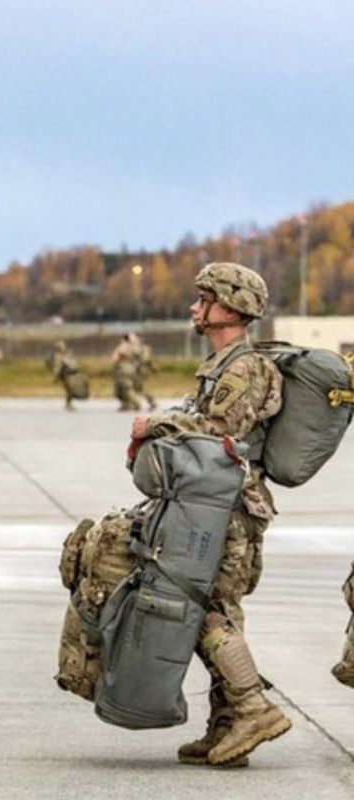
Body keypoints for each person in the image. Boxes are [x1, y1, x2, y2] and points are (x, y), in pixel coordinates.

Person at [130, 262, 289, 768]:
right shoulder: (222, 365)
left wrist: (155, 423)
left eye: (204, 299)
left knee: (200, 606)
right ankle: (227, 724)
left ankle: (252, 709)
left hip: (229, 509)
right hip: (208, 506)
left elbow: (220, 434)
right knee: (213, 606)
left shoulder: (245, 368)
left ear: (230, 307)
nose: (194, 307)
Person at [47, 340, 81, 411]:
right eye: (62, 346)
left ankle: (68, 404)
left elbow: (72, 362)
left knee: (71, 390)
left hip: (70, 374)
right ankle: (68, 405)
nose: (64, 347)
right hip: (65, 376)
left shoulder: (66, 354)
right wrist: (55, 377)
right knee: (70, 390)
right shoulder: (58, 356)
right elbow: (57, 367)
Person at [111, 333, 142, 412]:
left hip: (123, 370)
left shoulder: (123, 347)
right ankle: (125, 404)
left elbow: (115, 358)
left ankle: (136, 403)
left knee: (126, 388)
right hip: (133, 370)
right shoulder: (134, 347)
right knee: (127, 388)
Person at [132, 333, 158, 410]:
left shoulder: (142, 348)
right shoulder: (142, 348)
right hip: (138, 370)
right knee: (138, 388)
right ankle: (151, 401)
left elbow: (146, 360)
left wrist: (153, 369)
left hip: (139, 370)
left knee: (139, 388)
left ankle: (151, 402)